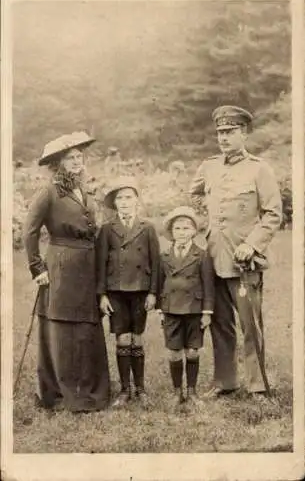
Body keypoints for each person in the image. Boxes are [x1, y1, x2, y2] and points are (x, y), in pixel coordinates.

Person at [190, 105, 282, 400]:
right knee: (219, 324)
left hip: (243, 261)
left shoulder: (259, 168)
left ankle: (257, 385)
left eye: (230, 132)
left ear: (244, 133)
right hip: (213, 257)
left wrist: (251, 244)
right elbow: (192, 197)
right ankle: (225, 381)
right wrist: (200, 226)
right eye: (220, 133)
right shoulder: (209, 167)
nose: (224, 138)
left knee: (250, 326)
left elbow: (272, 214)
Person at [23, 131, 110, 413]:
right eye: (69, 157)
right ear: (57, 164)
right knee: (63, 328)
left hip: (87, 266)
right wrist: (37, 267)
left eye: (78, 156)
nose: (76, 161)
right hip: (61, 267)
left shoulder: (82, 189)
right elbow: (29, 232)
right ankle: (64, 393)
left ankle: (90, 389)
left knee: (87, 325)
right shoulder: (48, 191)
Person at [96, 176, 160, 409]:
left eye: (128, 197)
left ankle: (140, 388)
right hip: (116, 291)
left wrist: (153, 292)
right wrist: (102, 295)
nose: (124, 202)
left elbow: (156, 263)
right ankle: (124, 389)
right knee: (122, 338)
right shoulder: (106, 229)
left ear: (137, 201)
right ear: (115, 204)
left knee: (137, 338)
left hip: (141, 290)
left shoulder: (148, 228)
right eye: (119, 198)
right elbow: (100, 263)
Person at [158, 206, 215, 410]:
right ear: (171, 232)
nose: (181, 232)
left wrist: (207, 312)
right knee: (174, 352)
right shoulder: (164, 255)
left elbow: (209, 285)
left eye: (186, 228)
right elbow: (159, 283)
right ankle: (177, 391)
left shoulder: (201, 255)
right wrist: (160, 309)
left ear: (194, 231)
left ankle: (191, 391)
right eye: (177, 229)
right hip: (171, 309)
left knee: (192, 351)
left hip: (194, 309)